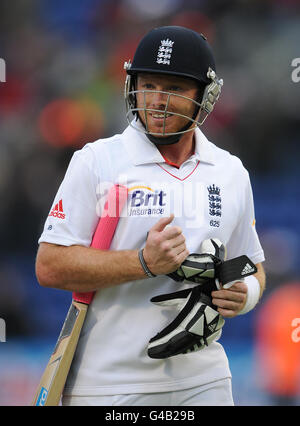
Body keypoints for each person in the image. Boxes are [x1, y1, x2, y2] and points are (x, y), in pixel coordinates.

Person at [36, 26, 266, 406]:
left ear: (205, 97)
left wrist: (246, 294)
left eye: (174, 89)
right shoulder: (98, 162)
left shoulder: (230, 173)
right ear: (132, 85)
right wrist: (143, 262)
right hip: (109, 385)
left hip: (205, 382)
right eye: (148, 85)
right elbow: (50, 265)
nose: (157, 101)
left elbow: (251, 264)